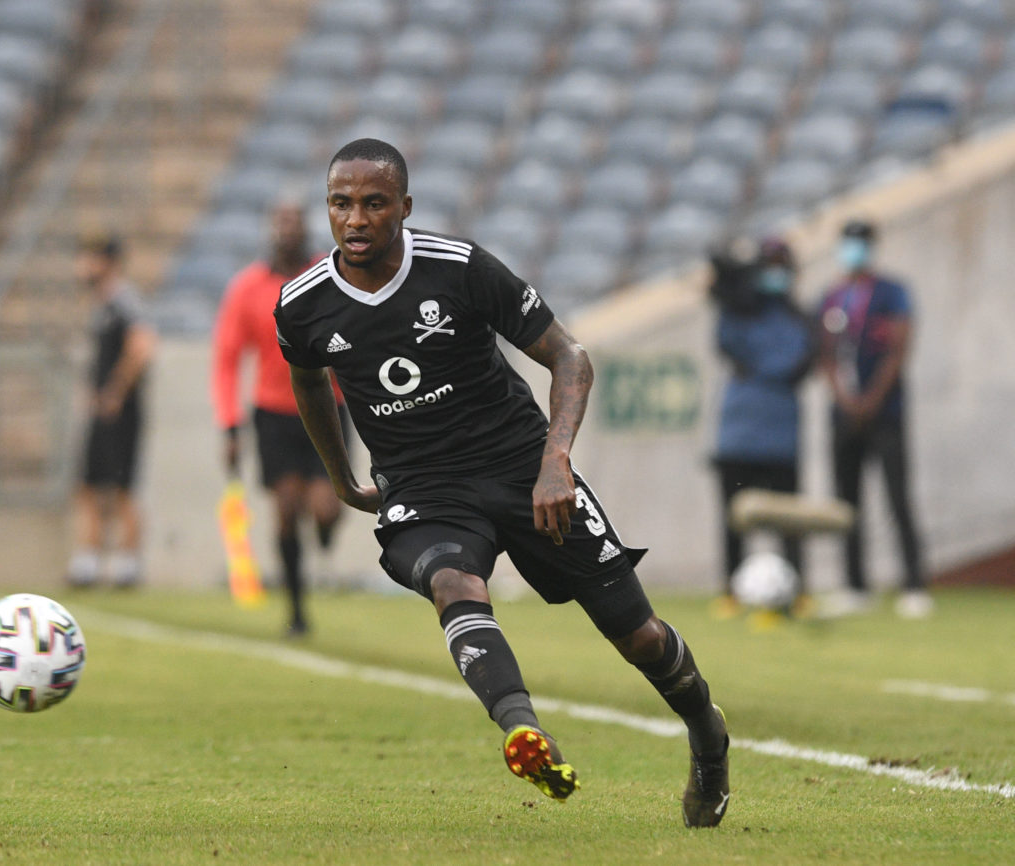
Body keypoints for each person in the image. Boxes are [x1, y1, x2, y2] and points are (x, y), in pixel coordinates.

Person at [273, 138, 730, 826]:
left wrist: (556, 461)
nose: (356, 219)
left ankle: (707, 734)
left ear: (405, 206)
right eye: (341, 203)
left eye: (373, 203)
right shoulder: (302, 304)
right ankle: (524, 730)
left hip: (520, 465)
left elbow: (570, 357)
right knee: (453, 582)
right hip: (424, 486)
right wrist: (341, 478)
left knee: (637, 636)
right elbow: (308, 381)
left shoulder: (459, 268)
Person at [212, 200, 348, 636]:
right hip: (274, 412)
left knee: (326, 506)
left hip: (327, 407)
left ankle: (326, 529)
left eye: (294, 221)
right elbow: (227, 359)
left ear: (305, 228)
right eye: (281, 222)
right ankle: (297, 610)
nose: (287, 229)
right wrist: (230, 425)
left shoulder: (329, 276)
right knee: (287, 509)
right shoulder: (247, 288)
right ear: (272, 230)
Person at [817, 219, 930, 619]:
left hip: (886, 411)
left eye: (861, 242)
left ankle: (914, 585)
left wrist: (871, 399)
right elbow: (825, 352)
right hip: (843, 414)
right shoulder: (831, 296)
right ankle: (854, 584)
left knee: (897, 495)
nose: (854, 250)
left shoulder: (891, 292)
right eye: (849, 242)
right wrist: (845, 399)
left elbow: (899, 349)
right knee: (847, 501)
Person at [710, 237, 815, 618]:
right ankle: (732, 592)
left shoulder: (797, 317)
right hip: (738, 435)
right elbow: (728, 342)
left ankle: (797, 592)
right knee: (734, 520)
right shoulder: (738, 311)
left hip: (781, 436)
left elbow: (794, 357)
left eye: (780, 266)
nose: (775, 274)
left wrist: (760, 365)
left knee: (790, 521)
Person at [67, 233, 156, 588]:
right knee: (89, 485)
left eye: (90, 258)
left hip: (122, 412)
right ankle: (88, 562)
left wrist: (116, 391)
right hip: (102, 412)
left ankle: (127, 564)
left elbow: (142, 346)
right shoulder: (101, 305)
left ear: (107, 262)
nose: (82, 266)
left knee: (122, 487)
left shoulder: (125, 301)